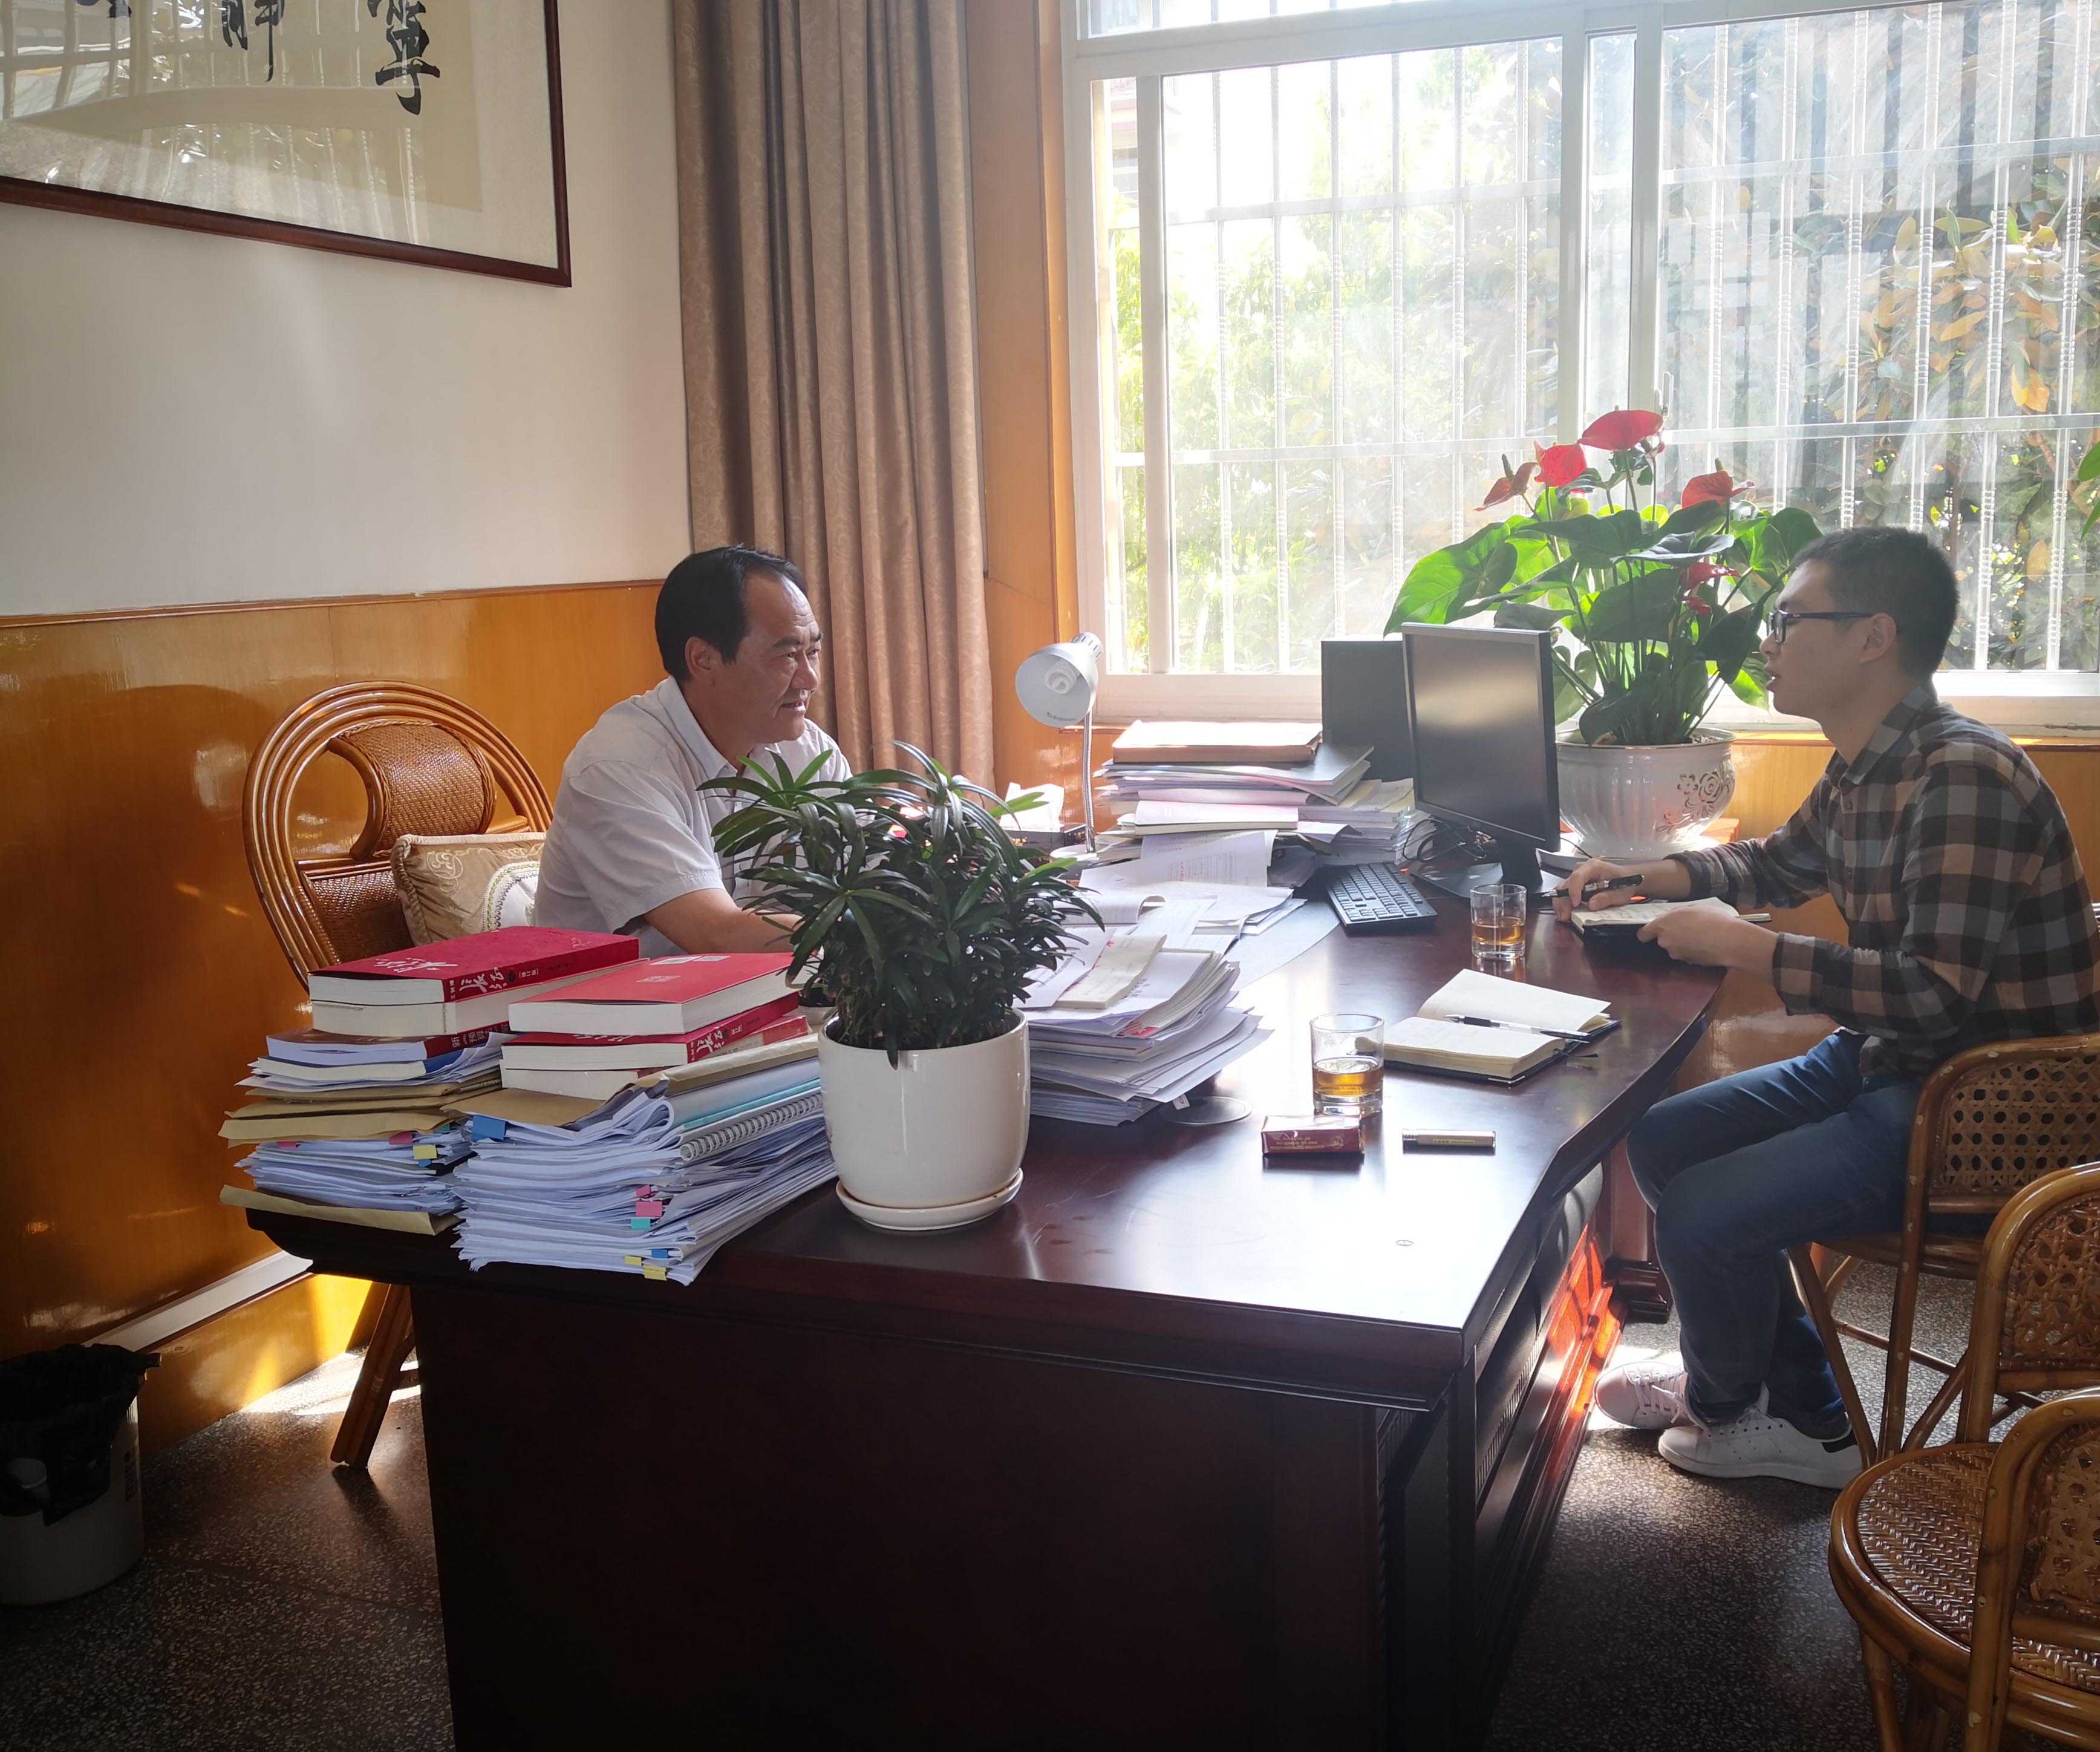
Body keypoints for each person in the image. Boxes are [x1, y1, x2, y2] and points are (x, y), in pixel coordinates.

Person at [1556, 526, 2100, 1488]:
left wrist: (1746, 947)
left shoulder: (1962, 777)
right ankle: (1787, 1396)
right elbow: (1777, 863)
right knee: (1667, 1140)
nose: (1768, 641)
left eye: (1789, 619)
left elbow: (1932, 995)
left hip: (1982, 1110)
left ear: (1872, 637)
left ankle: (1738, 1408)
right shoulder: (1868, 761)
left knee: (1707, 1215)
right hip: (1894, 1060)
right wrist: (1652, 875)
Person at [533, 545, 850, 956]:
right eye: (788, 655)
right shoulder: (618, 767)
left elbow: (868, 871)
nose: (810, 679)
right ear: (704, 660)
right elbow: (715, 932)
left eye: (813, 652)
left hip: (769, 987)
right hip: (620, 996)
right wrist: (870, 938)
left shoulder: (807, 751)